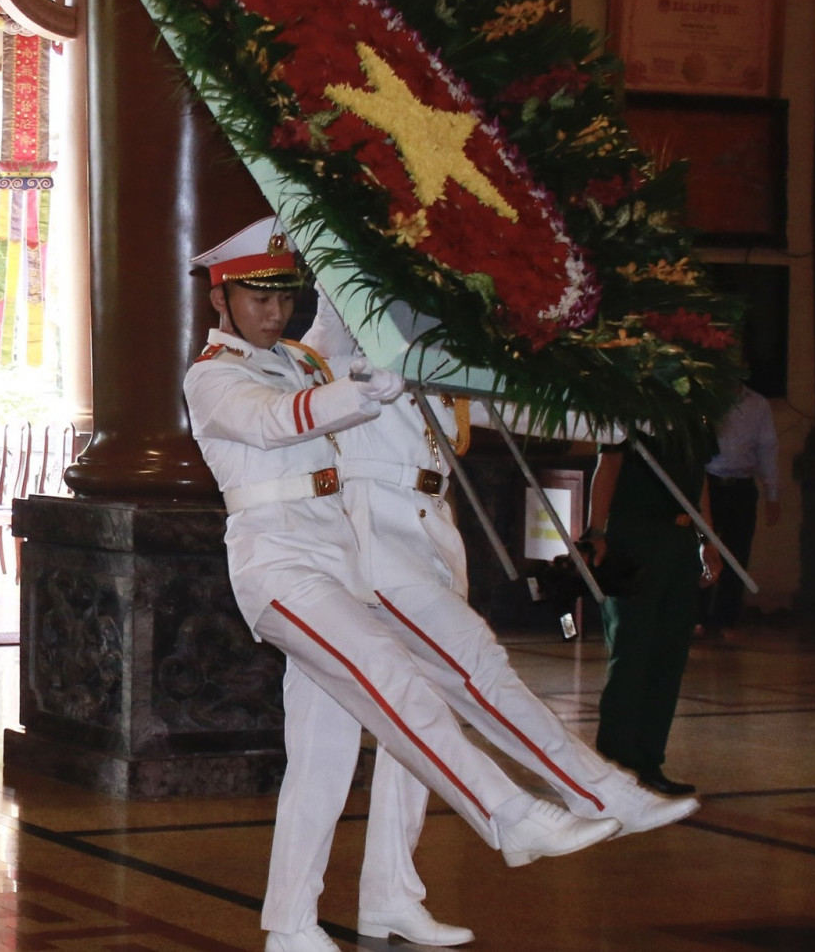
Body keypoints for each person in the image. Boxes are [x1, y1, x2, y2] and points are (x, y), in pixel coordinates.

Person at [181, 221, 620, 952]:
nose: (272, 310)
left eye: (283, 294)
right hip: (280, 568)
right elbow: (271, 421)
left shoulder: (299, 359)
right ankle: (508, 814)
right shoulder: (214, 374)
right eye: (257, 296)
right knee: (397, 680)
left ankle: (293, 923)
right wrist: (351, 395)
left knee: (321, 762)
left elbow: (359, 330)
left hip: (339, 561)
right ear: (221, 296)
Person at [300, 291, 699, 947]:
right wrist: (348, 289)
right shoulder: (346, 347)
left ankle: (390, 891)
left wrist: (619, 410)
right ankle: (598, 790)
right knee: (476, 666)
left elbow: (519, 405)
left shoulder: (438, 359)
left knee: (419, 726)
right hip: (375, 538)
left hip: (429, 535)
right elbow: (319, 346)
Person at [591, 432, 721, 797]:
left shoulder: (695, 410)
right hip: (636, 534)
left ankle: (649, 757)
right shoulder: (634, 401)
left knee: (671, 651)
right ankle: (617, 750)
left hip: (680, 537)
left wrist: (708, 538)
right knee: (632, 645)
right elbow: (610, 464)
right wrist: (597, 531)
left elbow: (700, 479)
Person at [698, 385, 778, 639]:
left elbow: (768, 448)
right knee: (700, 549)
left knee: (737, 552)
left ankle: (725, 620)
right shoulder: (705, 397)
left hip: (741, 485)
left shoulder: (758, 404)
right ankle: (696, 617)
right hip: (708, 484)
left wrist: (772, 494)